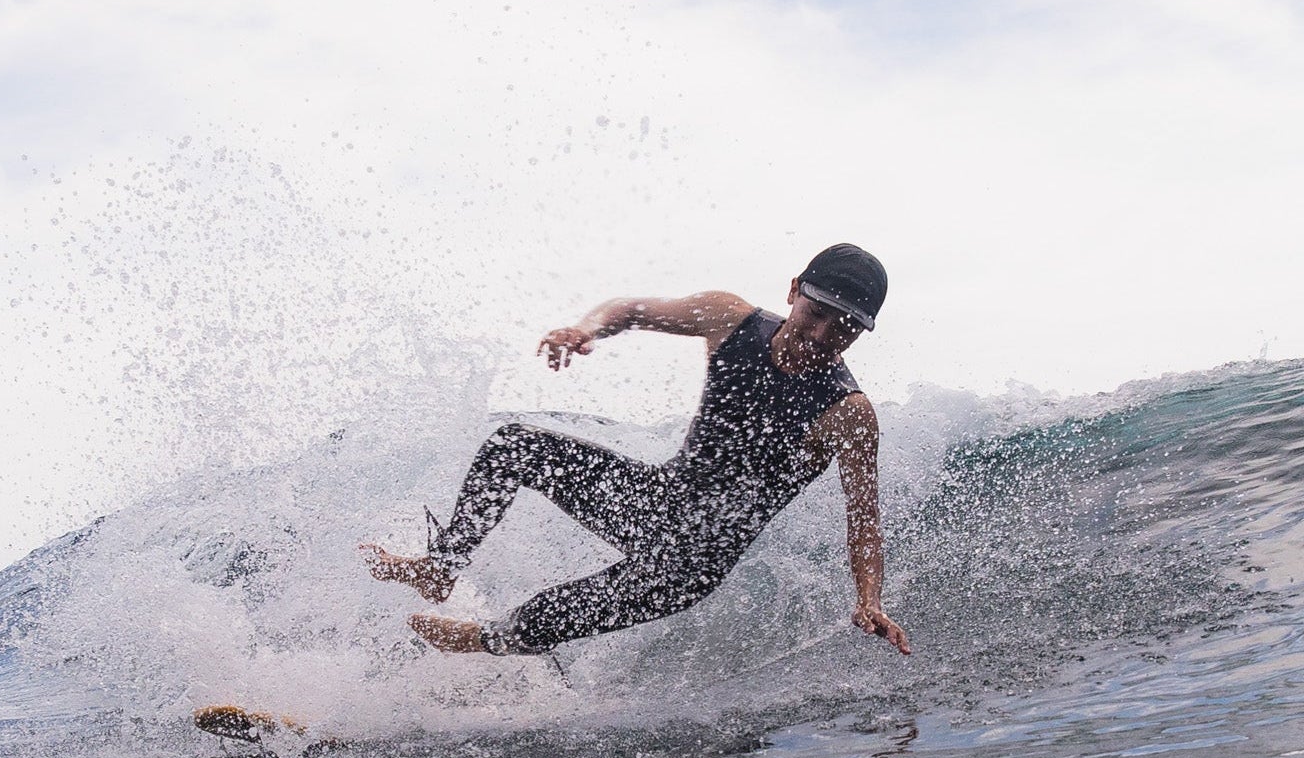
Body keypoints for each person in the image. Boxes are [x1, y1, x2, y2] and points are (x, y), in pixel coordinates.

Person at [360, 243, 911, 658]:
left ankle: (483, 646)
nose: (821, 336)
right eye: (816, 314)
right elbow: (633, 309)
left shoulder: (848, 412)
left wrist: (869, 600)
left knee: (539, 618)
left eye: (843, 330)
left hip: (690, 563)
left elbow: (863, 521)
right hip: (655, 500)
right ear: (793, 291)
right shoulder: (728, 318)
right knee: (513, 446)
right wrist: (586, 328)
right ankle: (440, 569)